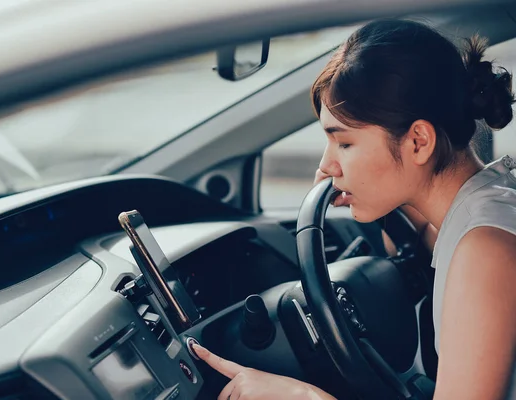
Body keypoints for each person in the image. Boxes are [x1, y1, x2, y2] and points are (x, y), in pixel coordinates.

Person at [192, 18, 516, 400]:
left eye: (343, 143)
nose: (327, 166)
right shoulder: (482, 205)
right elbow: (417, 244)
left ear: (418, 141)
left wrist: (300, 396)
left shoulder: (485, 251)